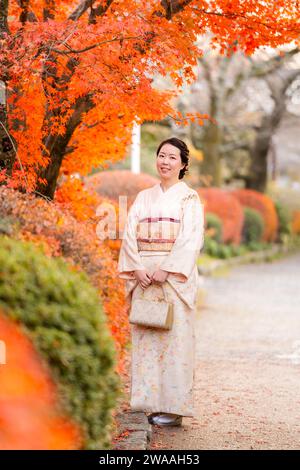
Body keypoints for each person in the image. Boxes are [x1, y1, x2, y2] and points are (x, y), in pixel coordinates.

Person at [117, 137, 205, 427]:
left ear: (183, 164)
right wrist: (137, 268)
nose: (165, 162)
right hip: (144, 277)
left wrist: (167, 270)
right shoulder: (144, 197)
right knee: (146, 339)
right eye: (161, 155)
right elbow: (130, 234)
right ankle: (146, 403)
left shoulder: (189, 198)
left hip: (173, 280)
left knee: (174, 340)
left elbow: (191, 239)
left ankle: (173, 407)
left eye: (172, 157)